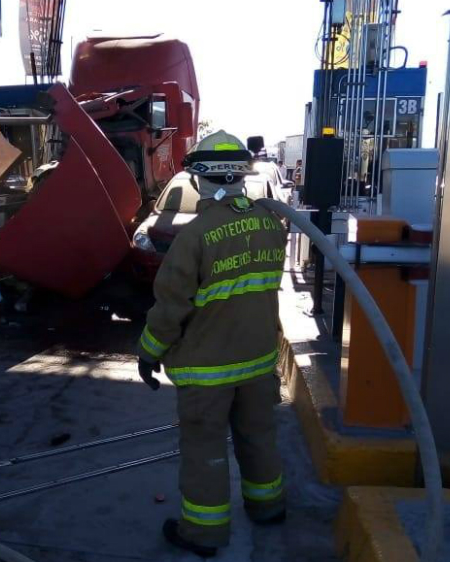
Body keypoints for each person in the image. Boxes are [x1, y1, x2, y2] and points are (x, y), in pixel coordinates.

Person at [137, 130, 287, 557]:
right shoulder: (269, 223)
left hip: (208, 372)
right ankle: (268, 506)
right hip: (258, 362)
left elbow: (169, 309)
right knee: (258, 436)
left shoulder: (195, 236)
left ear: (199, 179)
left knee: (205, 451)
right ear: (242, 175)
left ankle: (203, 533)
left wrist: (148, 353)